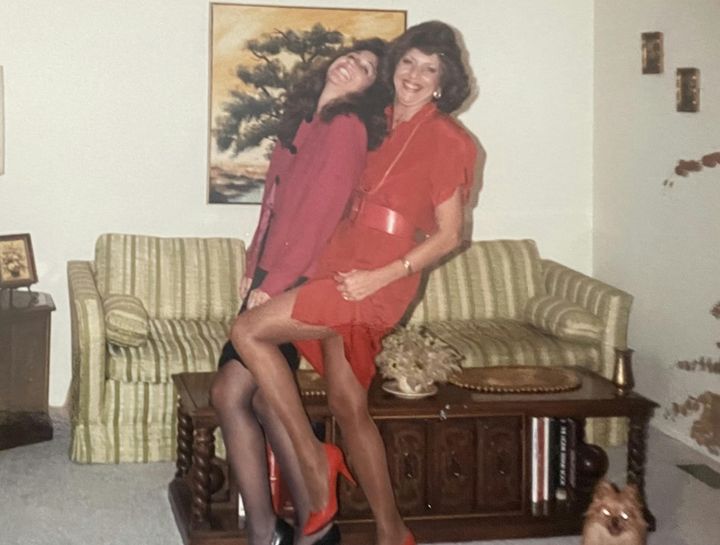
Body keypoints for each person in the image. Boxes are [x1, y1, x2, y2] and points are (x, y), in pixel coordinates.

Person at [229, 21, 478, 545]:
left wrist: (383, 276)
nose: (414, 75)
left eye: (428, 69)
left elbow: (451, 234)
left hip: (379, 276)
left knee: (249, 331)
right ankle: (393, 532)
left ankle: (315, 459)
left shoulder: (450, 138)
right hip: (340, 262)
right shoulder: (377, 121)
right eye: (407, 62)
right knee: (348, 404)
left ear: (442, 81)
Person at [210, 38, 388, 545]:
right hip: (268, 276)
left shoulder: (346, 128)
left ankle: (284, 529)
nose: (353, 64)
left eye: (367, 68)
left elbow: (318, 218)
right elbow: (273, 207)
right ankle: (306, 527)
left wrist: (276, 283)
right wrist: (251, 267)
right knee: (259, 400)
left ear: (369, 91)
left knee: (232, 393)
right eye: (353, 55)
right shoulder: (306, 123)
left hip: (296, 283)